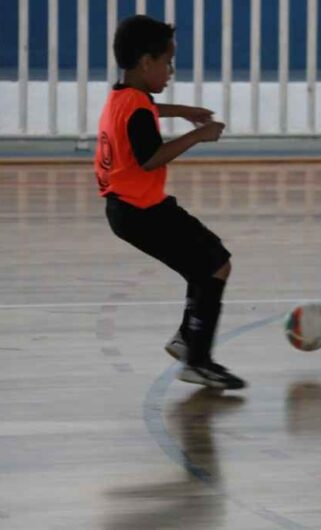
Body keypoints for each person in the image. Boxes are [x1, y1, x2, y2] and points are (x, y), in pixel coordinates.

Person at [94, 15, 245, 390]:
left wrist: (183, 112)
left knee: (209, 263)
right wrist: (199, 135)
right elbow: (150, 156)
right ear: (147, 63)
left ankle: (187, 340)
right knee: (215, 266)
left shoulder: (122, 96)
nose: (171, 70)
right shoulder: (137, 105)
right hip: (140, 211)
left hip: (129, 208)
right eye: (168, 62)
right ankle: (197, 360)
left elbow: (145, 112)